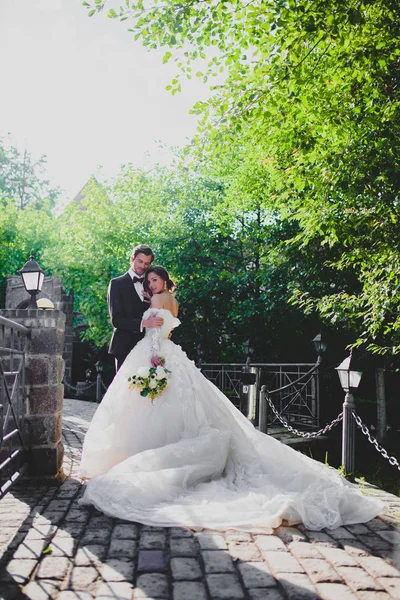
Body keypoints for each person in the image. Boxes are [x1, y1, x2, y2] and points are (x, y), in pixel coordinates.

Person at [80, 266, 384, 533]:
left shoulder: (157, 301)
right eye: (149, 281)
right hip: (172, 354)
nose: (150, 285)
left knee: (152, 406)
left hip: (156, 354)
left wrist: (154, 359)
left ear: (162, 281)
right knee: (179, 405)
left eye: (154, 279)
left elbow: (156, 333)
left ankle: (143, 450)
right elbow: (169, 329)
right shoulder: (173, 300)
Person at [107, 244, 164, 372]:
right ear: (132, 259)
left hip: (147, 349)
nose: (143, 266)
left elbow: (159, 312)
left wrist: (165, 331)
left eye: (147, 263)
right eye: (140, 261)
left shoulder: (150, 285)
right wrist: (144, 323)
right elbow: (117, 320)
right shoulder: (116, 284)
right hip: (124, 347)